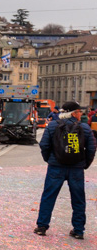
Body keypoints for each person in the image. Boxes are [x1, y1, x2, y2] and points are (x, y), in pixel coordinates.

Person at [34, 101, 95, 239]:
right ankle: (78, 230)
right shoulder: (85, 128)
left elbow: (44, 145)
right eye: (79, 112)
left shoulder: (53, 126)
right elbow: (91, 148)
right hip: (76, 169)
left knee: (49, 196)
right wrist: (84, 164)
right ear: (74, 113)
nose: (80, 114)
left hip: (56, 167)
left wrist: (49, 159)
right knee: (78, 198)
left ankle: (42, 226)